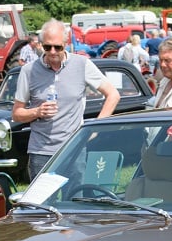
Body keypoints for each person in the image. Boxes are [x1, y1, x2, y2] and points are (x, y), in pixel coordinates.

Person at [12, 18, 120, 180]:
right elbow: (16, 113)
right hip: (41, 152)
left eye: (58, 47)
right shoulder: (29, 71)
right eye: (48, 47)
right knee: (40, 202)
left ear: (66, 43)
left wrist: (95, 129)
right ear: (41, 45)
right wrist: (37, 111)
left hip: (74, 149)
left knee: (74, 200)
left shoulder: (82, 64)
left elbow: (113, 94)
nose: (53, 52)